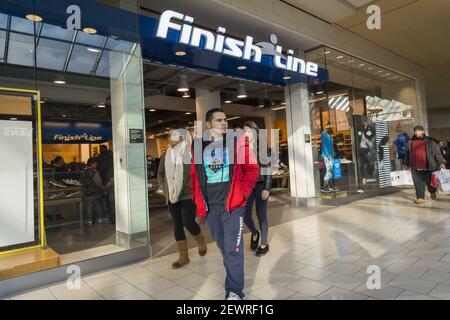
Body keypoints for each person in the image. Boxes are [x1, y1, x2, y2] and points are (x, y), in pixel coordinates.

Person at [190, 108, 259, 300]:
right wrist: (198, 204)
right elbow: (194, 177)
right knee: (223, 247)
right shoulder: (197, 146)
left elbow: (252, 170)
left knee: (233, 248)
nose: (224, 123)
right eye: (219, 120)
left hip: (233, 207)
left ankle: (235, 291)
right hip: (211, 208)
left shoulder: (237, 143)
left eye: (226, 119)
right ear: (209, 124)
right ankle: (232, 277)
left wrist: (242, 193)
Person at [157, 129, 207, 269]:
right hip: (172, 195)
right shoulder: (166, 155)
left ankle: (201, 240)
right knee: (177, 224)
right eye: (169, 135)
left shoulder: (189, 154)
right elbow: (160, 173)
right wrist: (164, 187)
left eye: (173, 135)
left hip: (187, 194)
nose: (170, 138)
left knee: (188, 222)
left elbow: (192, 174)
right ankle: (183, 256)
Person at [242, 121, 272, 256]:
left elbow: (268, 170)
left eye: (248, 131)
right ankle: (255, 233)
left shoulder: (263, 149)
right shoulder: (242, 149)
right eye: (244, 131)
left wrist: (267, 188)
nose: (246, 134)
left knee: (261, 215)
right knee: (245, 214)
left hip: (261, 186)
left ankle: (264, 243)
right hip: (248, 187)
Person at [404, 125, 446, 204]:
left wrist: (441, 162)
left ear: (423, 131)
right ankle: (420, 197)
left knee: (430, 183)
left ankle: (432, 191)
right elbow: (407, 154)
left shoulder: (430, 141)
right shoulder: (410, 142)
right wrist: (406, 164)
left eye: (419, 131)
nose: (417, 132)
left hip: (428, 167)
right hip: (415, 168)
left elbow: (437, 153)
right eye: (415, 131)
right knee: (418, 183)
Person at [81, 157, 106, 226]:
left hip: (87, 192)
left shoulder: (83, 171)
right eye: (96, 164)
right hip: (95, 192)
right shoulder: (94, 172)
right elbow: (98, 182)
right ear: (92, 164)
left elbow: (82, 181)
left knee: (89, 207)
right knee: (98, 205)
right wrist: (103, 188)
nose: (96, 165)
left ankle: (89, 220)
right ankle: (100, 218)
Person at [97, 145, 114, 223]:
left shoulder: (100, 157)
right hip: (111, 181)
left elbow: (100, 169)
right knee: (111, 200)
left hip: (105, 180)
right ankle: (112, 217)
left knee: (106, 200)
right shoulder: (110, 156)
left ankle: (108, 216)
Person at [321, 127, 334, 193]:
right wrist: (328, 155)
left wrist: (333, 155)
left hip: (330, 156)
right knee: (328, 170)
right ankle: (325, 186)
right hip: (327, 156)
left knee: (330, 170)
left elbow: (331, 147)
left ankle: (329, 185)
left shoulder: (330, 137)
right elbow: (324, 146)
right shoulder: (324, 135)